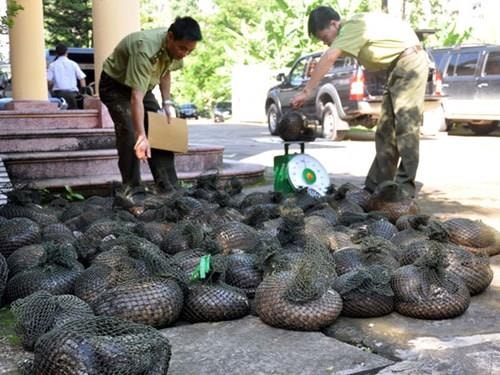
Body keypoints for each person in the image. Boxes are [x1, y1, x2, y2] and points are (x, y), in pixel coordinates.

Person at [290, 6, 428, 198]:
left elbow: (330, 56)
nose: (326, 43)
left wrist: (307, 91)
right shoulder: (351, 31)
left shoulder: (351, 26)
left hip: (410, 62)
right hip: (396, 67)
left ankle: (405, 187)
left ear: (334, 24)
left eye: (325, 38)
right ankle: (376, 186)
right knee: (386, 131)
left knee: (405, 126)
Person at [99, 16, 202, 193]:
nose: (184, 54)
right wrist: (141, 136)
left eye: (189, 51)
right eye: (182, 48)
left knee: (160, 129)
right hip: (115, 86)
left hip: (142, 87)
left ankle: (168, 185)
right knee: (130, 133)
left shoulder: (175, 49)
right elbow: (135, 98)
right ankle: (132, 189)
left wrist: (167, 102)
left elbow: (165, 72)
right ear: (170, 37)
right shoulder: (144, 49)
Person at [47, 43, 88, 109]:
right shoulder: (73, 64)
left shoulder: (52, 65)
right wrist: (83, 92)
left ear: (56, 53)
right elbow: (82, 78)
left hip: (58, 95)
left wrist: (49, 89)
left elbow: (49, 81)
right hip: (74, 95)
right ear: (67, 52)